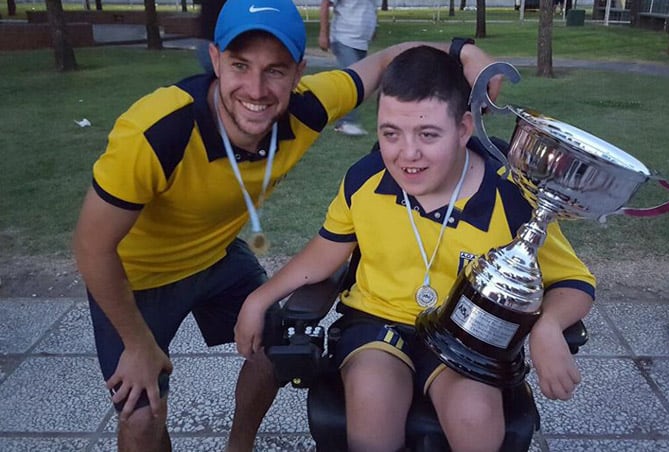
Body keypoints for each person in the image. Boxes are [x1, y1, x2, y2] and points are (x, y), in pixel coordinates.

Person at [71, 0, 498, 449]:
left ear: (298, 72)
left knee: (273, 347)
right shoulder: (159, 130)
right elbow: (90, 246)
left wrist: (463, 51)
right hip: (133, 275)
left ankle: (240, 445)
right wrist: (137, 344)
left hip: (214, 257)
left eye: (275, 70)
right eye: (240, 65)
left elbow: (392, 58)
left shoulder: (308, 107)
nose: (255, 89)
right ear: (215, 59)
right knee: (142, 416)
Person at [235, 46, 596, 451]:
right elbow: (325, 252)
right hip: (378, 322)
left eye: (428, 134)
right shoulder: (365, 181)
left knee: (475, 416)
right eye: (390, 133)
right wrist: (259, 299)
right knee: (372, 398)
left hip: (467, 336)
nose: (407, 154)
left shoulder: (510, 195)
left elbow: (573, 281)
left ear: (463, 129)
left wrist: (548, 326)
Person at [319, 0, 378, 136]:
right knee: (352, 79)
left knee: (358, 79)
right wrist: (323, 33)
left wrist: (375, 26)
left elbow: (373, 8)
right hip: (344, 38)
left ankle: (335, 111)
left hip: (362, 41)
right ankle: (345, 122)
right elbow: (325, 3)